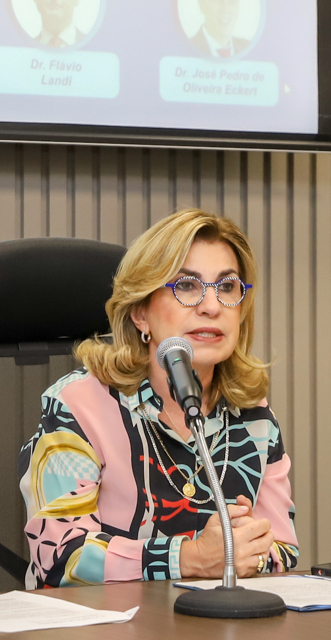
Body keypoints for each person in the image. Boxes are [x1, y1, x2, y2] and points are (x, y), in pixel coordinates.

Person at [19, 209, 298, 586]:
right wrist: (192, 558)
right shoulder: (79, 406)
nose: (212, 306)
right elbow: (59, 558)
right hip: (100, 637)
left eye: (228, 287)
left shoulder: (253, 418)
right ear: (140, 314)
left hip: (214, 633)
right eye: (186, 286)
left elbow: (283, 548)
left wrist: (251, 550)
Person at [188, 0, 252, 58]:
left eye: (232, 1)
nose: (226, 9)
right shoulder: (185, 49)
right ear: (201, 4)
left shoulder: (249, 48)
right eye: (217, 0)